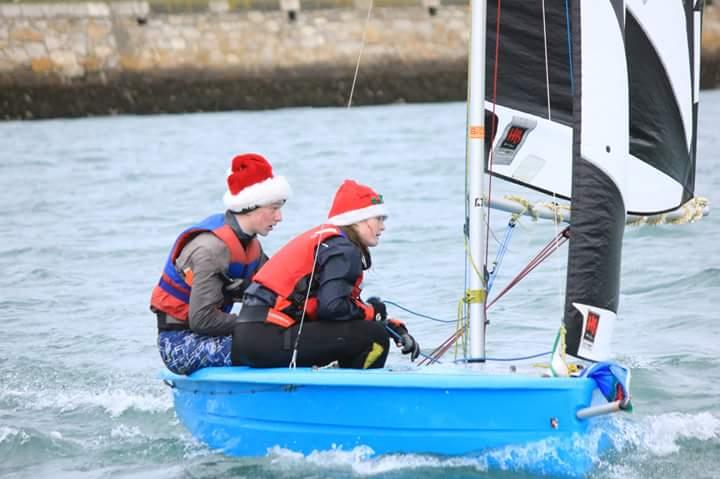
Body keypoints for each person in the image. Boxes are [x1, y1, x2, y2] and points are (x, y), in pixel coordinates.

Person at [231, 179, 420, 369]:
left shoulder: (329, 241)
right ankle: (354, 396)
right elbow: (332, 308)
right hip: (268, 336)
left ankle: (337, 383)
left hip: (250, 338)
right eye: (378, 218)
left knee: (370, 329)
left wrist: (390, 325)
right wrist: (372, 314)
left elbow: (332, 306)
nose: (383, 227)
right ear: (357, 220)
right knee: (373, 337)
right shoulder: (343, 249)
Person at [151, 153, 291, 375]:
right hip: (179, 342)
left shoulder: (250, 245)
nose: (279, 217)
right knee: (268, 347)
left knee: (288, 338)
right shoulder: (210, 249)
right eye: (274, 208)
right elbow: (202, 320)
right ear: (250, 206)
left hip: (214, 334)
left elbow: (276, 286)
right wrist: (259, 321)